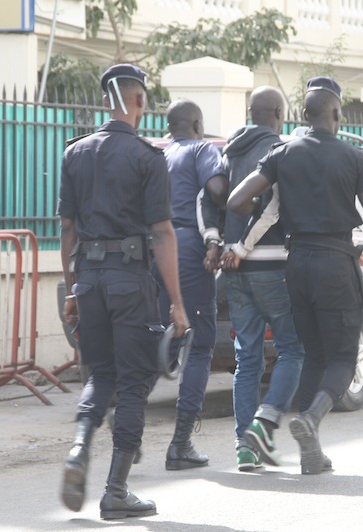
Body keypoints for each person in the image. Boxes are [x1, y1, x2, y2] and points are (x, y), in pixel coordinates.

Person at [227, 76, 363, 475]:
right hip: (336, 263)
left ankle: (300, 447)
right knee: (342, 358)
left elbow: (236, 200)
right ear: (336, 114)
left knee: (313, 356)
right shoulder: (354, 159)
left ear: (304, 115)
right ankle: (311, 419)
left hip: (296, 264)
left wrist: (269, 217)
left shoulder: (282, 153)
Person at [57, 64, 189, 519]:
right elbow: (163, 234)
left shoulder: (75, 154)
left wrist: (72, 291)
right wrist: (176, 302)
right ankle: (115, 491)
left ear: (105, 102)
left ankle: (78, 448)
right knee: (134, 382)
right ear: (138, 102)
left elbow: (68, 231)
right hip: (130, 281)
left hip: (89, 281)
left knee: (101, 375)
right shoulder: (147, 158)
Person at [215, 86, 306, 471]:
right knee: (291, 350)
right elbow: (272, 208)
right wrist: (243, 246)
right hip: (269, 265)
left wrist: (219, 244)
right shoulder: (280, 151)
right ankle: (261, 427)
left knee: (246, 358)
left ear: (250, 113)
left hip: (233, 270)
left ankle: (244, 447)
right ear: (279, 114)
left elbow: (214, 197)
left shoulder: (229, 149)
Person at [156, 98, 228, 470]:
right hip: (186, 248)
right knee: (199, 344)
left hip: (152, 250)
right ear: (198, 125)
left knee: (156, 339)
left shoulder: (158, 156)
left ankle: (128, 435)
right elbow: (217, 190)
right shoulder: (202, 150)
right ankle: (181, 442)